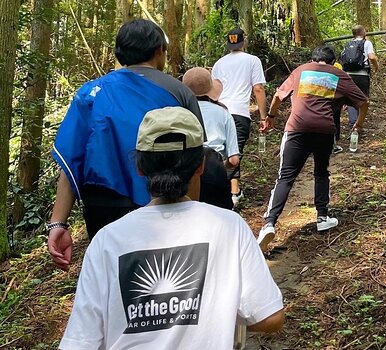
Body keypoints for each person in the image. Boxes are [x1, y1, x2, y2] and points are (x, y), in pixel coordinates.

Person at [59, 107, 285, 350]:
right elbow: (270, 317)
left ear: (140, 167)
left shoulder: (107, 240)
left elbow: (80, 341)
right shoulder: (229, 227)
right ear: (200, 165)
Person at [47, 19, 205, 271]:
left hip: (103, 210)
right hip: (165, 203)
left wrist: (58, 224)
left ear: (119, 53)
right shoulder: (178, 92)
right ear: (158, 51)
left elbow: (70, 162)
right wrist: (192, 214)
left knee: (113, 280)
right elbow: (194, 157)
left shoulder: (90, 93)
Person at [257, 45, 369, 252]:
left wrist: (270, 118)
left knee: (285, 177)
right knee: (321, 172)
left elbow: (277, 96)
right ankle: (322, 217)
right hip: (324, 131)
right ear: (332, 60)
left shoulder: (301, 70)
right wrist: (358, 125)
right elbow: (363, 102)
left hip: (296, 129)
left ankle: (269, 224)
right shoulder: (338, 74)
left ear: (313, 59)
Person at [211, 28, 268, 206]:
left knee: (223, 151)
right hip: (239, 113)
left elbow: (214, 90)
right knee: (234, 153)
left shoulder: (219, 63)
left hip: (220, 111)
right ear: (244, 41)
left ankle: (233, 190)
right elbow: (258, 88)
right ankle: (229, 195)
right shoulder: (252, 61)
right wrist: (263, 116)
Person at [183, 67, 240, 210]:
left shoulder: (180, 112)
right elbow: (234, 160)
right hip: (214, 170)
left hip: (184, 171)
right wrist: (221, 165)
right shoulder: (223, 113)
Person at [342, 25, 379, 129]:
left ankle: (352, 124)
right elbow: (371, 57)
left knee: (351, 99)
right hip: (362, 75)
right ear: (364, 33)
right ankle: (357, 127)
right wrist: (376, 66)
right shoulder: (367, 43)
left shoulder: (348, 44)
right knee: (363, 100)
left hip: (348, 75)